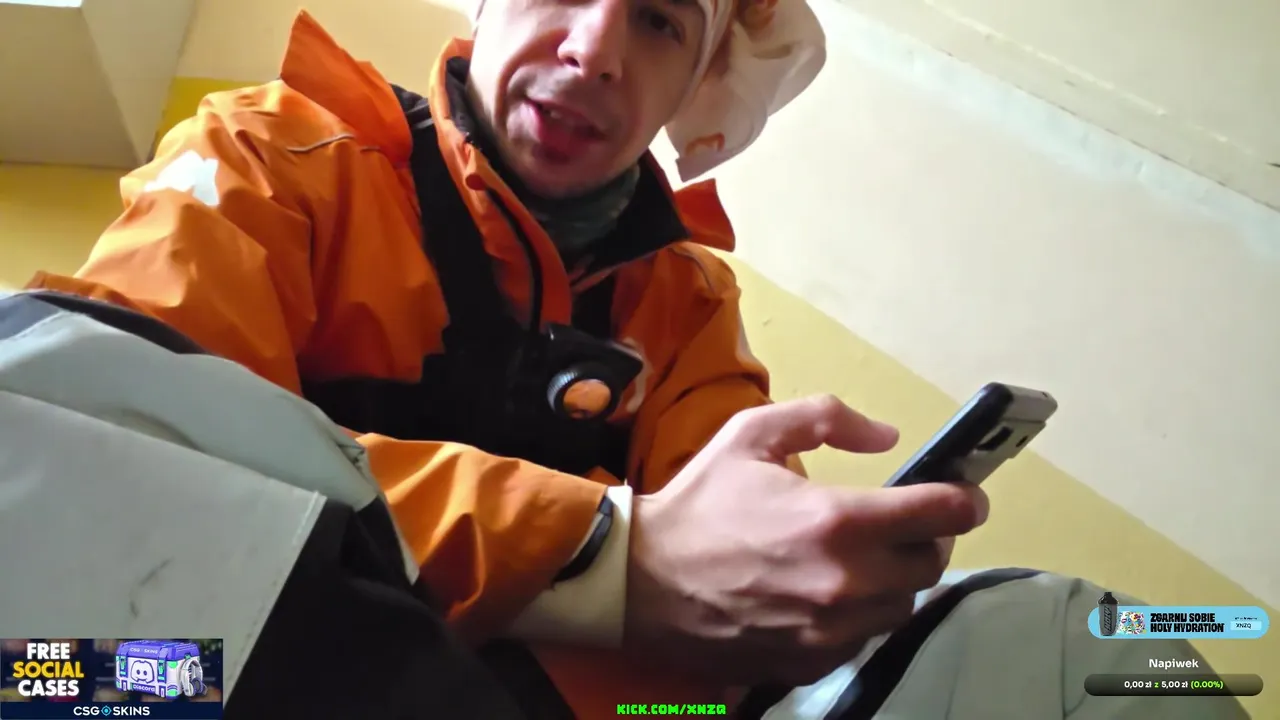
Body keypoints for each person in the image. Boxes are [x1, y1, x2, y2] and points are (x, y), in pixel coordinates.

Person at [21, 1, 1246, 719]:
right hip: (213, 674)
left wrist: (815, 584)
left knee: (1098, 653)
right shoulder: (270, 157)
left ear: (694, 84)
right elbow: (106, 458)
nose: (597, 48)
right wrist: (610, 553)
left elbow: (721, 637)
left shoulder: (686, 304)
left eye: (658, 20)